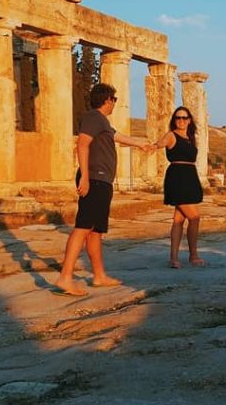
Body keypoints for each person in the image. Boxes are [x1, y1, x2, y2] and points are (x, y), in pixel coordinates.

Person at [53, 83, 153, 296]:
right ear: (108, 99)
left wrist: (140, 144)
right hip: (95, 179)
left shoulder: (102, 122)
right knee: (83, 227)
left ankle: (99, 276)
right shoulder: (93, 117)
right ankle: (65, 277)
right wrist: (86, 178)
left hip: (102, 181)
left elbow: (116, 136)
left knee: (96, 231)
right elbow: (82, 144)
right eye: (114, 99)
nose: (115, 103)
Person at [154, 106, 205, 268]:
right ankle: (193, 255)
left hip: (190, 177)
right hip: (177, 177)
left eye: (184, 118)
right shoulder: (171, 135)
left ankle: (174, 258)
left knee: (178, 220)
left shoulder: (191, 138)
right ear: (174, 120)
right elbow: (158, 144)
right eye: (178, 118)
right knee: (194, 217)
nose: (181, 120)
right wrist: (146, 146)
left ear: (189, 120)